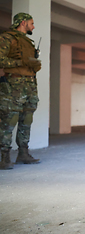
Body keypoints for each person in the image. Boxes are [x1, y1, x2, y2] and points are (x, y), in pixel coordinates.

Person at [0, 13, 42, 170]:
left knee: (27, 119)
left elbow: (29, 64)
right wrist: (20, 62)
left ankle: (23, 153)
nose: (33, 26)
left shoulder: (28, 43)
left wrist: (34, 64)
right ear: (23, 23)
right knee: (9, 119)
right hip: (13, 84)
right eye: (31, 23)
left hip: (29, 84)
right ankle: (4, 157)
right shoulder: (7, 38)